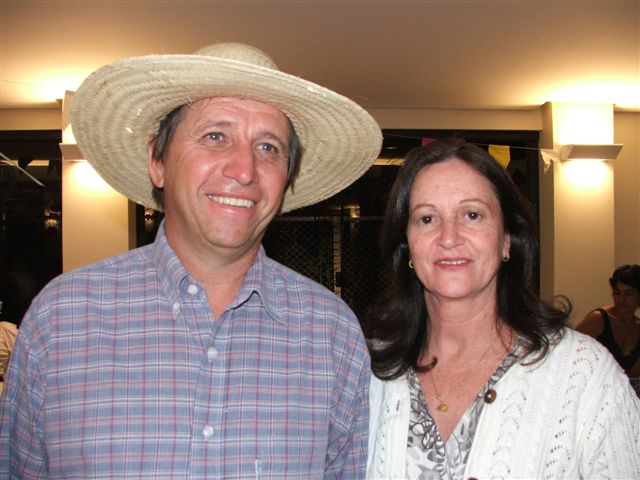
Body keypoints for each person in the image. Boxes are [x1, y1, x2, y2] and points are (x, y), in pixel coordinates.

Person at [0, 43, 382, 478]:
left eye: (268, 147)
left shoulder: (332, 334)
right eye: (215, 136)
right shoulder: (61, 319)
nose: (244, 170)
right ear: (157, 161)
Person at [364, 139, 640, 479]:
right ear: (407, 245)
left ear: (507, 239)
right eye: (427, 218)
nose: (449, 237)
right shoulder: (368, 371)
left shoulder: (583, 375)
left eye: (472, 214)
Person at [577, 264, 640, 396]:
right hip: (596, 392)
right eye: (617, 293)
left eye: (628, 294)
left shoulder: (637, 326)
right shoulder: (598, 319)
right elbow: (572, 352)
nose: (621, 299)